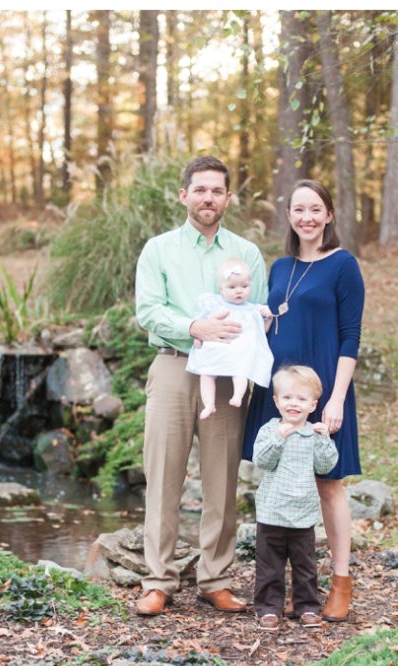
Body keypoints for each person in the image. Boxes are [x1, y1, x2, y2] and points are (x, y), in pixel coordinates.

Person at [134, 156, 268, 616]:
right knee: (164, 478)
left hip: (229, 374)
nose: (208, 198)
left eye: (217, 191)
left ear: (228, 198)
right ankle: (158, 580)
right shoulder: (159, 249)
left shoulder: (247, 253)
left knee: (221, 479)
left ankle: (216, 579)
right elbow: (148, 311)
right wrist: (195, 327)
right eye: (200, 189)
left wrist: (235, 344)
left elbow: (260, 313)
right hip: (173, 366)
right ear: (183, 195)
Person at [242, 179, 365, 622]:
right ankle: (282, 589)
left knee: (328, 483)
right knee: (280, 479)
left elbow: (351, 337)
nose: (307, 217)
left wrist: (335, 399)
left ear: (329, 215)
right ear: (289, 215)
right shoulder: (280, 267)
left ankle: (340, 581)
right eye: (299, 209)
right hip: (280, 395)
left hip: (323, 393)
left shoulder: (343, 265)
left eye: (316, 209)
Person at [251, 366, 338, 632]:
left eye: (301, 399)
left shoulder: (313, 434)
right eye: (287, 397)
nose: (293, 404)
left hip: (302, 512)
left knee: (305, 565)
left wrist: (325, 440)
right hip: (272, 511)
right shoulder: (269, 430)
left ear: (312, 405)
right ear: (277, 401)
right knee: (270, 565)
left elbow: (325, 467)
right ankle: (268, 608)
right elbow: (262, 461)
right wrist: (279, 437)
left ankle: (307, 606)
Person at [185, 257, 274, 420]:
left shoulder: (253, 310)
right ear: (221, 289)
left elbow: (260, 333)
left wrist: (268, 319)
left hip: (237, 351)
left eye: (244, 286)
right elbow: (201, 322)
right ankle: (209, 404)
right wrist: (197, 338)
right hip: (215, 348)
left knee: (241, 370)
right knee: (206, 374)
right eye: (232, 287)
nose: (239, 291)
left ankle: (238, 396)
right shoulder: (213, 304)